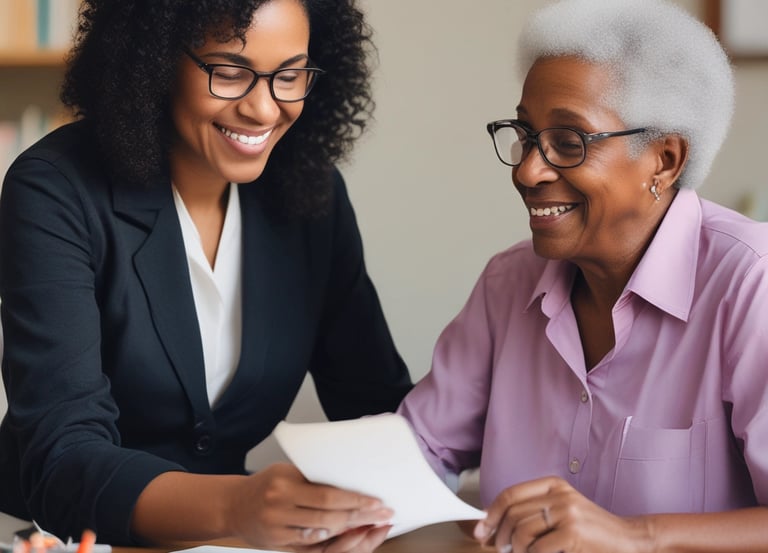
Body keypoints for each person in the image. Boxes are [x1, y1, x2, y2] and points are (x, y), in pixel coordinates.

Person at [0, 0, 413, 550]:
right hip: (55, 535)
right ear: (155, 60)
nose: (265, 109)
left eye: (290, 76)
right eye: (230, 72)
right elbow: (64, 457)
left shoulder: (311, 195)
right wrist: (238, 507)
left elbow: (375, 406)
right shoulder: (54, 190)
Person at [397, 0, 768, 551]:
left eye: (569, 142)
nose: (528, 169)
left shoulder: (750, 283)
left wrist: (636, 536)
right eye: (525, 134)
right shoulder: (508, 283)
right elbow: (419, 452)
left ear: (664, 161)